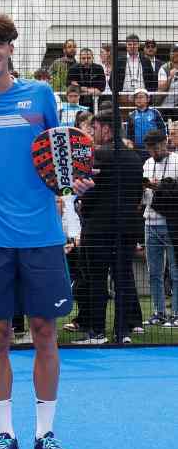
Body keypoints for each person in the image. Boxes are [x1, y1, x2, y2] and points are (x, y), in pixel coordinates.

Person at [0, 12, 94, 449]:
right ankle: (6, 437)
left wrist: (74, 189)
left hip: (42, 238)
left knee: (46, 332)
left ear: (11, 48)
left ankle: (43, 437)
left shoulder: (40, 94)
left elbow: (61, 153)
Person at [75, 109, 144, 344]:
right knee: (123, 278)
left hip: (99, 228)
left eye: (94, 128)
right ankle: (122, 332)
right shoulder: (135, 158)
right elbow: (137, 195)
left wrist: (81, 207)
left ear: (105, 128)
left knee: (96, 279)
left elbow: (89, 192)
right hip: (126, 227)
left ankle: (97, 332)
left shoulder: (98, 155)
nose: (93, 133)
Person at [139, 130, 178, 328]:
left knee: (175, 271)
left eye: (156, 147)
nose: (153, 151)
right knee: (153, 272)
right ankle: (159, 312)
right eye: (149, 148)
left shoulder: (177, 161)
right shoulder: (146, 163)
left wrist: (160, 187)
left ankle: (176, 314)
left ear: (165, 143)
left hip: (172, 222)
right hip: (150, 221)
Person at [126, 88, 166, 154]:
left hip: (154, 148)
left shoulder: (155, 112)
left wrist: (162, 143)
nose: (139, 99)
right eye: (136, 97)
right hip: (138, 149)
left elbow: (162, 129)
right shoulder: (131, 115)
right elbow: (129, 134)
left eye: (141, 97)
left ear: (148, 99)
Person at [157, 44, 178, 122]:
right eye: (174, 51)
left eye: (177, 51)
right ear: (170, 54)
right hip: (165, 106)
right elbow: (161, 89)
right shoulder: (164, 68)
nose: (176, 54)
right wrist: (170, 77)